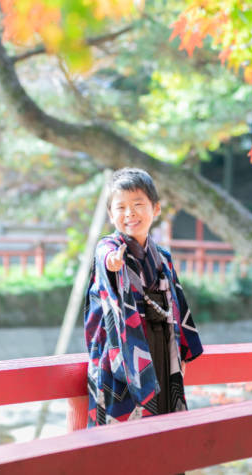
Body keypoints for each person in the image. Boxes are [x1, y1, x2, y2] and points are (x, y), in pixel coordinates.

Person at [84, 167, 203, 426]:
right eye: (121, 207)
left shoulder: (163, 257)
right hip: (123, 356)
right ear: (110, 214)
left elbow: (177, 306)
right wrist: (113, 264)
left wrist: (182, 351)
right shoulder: (108, 247)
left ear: (155, 208)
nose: (130, 213)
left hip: (160, 349)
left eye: (138, 204)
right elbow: (107, 259)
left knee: (163, 421)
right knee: (124, 435)